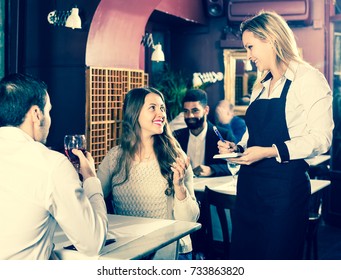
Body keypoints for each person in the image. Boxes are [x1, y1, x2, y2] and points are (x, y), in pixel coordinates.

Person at [217, 11, 334, 260]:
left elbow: (322, 138)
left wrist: (272, 151)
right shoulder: (260, 86)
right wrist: (236, 149)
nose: (248, 56)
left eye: (250, 47)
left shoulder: (309, 79)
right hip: (249, 191)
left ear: (270, 38)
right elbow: (252, 136)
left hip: (284, 194)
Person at [0, 73, 108, 260]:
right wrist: (90, 178)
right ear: (36, 114)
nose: (49, 119)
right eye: (49, 111)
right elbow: (92, 243)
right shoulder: (51, 165)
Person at [97, 87, 199, 260]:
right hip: (128, 251)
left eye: (162, 108)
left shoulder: (176, 156)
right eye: (152, 108)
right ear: (134, 113)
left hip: (170, 251)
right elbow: (93, 199)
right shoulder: (115, 157)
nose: (161, 114)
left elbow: (189, 220)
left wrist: (179, 186)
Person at [173, 88, 235, 177]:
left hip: (210, 189)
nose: (190, 115)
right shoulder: (176, 136)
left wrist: (212, 170)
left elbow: (235, 166)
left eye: (195, 111)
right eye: (186, 111)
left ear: (206, 110)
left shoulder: (223, 135)